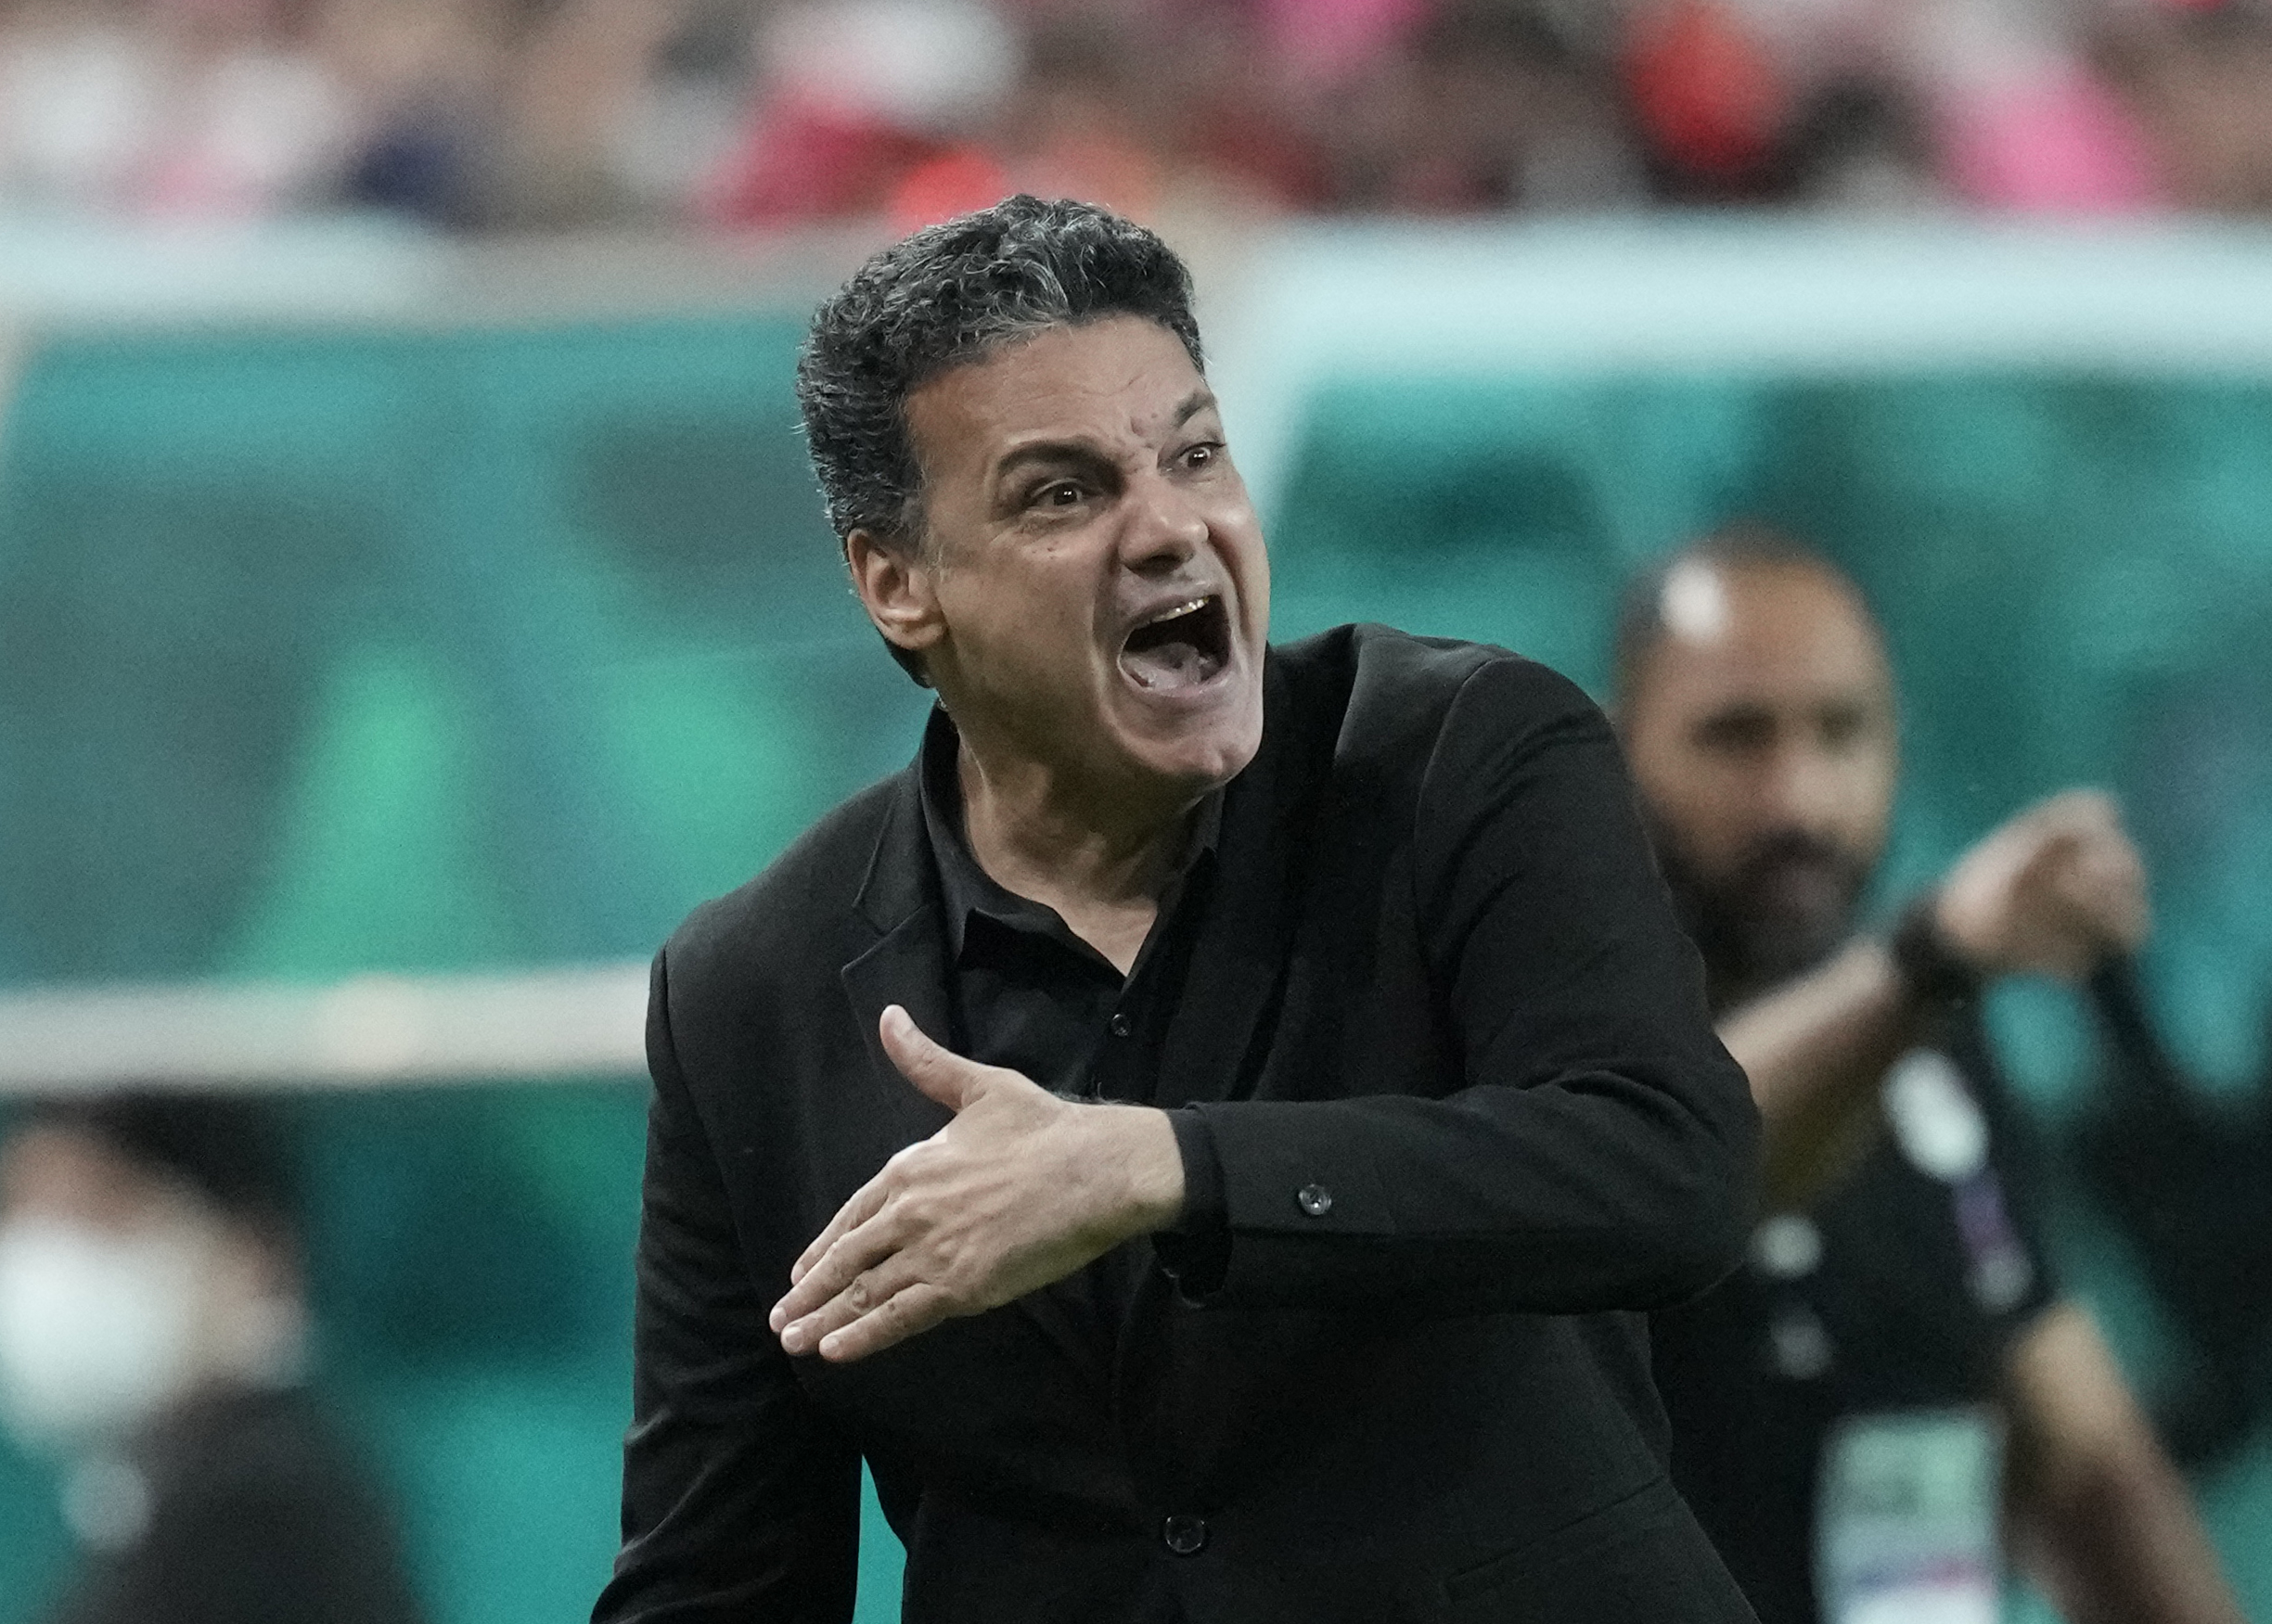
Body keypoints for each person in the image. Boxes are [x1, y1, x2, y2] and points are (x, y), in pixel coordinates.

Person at [592, 195, 1762, 1624]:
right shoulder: (751, 989)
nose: (1167, 527)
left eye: (1194, 453)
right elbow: (719, 1573)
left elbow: (1666, 1167)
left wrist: (1164, 1168)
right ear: (898, 583)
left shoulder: (1466, 757)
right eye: (1059, 493)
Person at [1615, 529, 2250, 1624]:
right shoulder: (1537, 1037)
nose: (1796, 802)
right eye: (1733, 735)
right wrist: (1932, 957)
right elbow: (1680, 1165)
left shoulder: (1930, 1062)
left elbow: (2092, 1468)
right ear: (1616, 751)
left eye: (1840, 731)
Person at [0, 1092, 424, 1624]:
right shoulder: (172, 1493)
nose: (50, 1262)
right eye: (20, 1214)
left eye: (99, 1211)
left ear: (251, 1253)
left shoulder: (261, 1516)